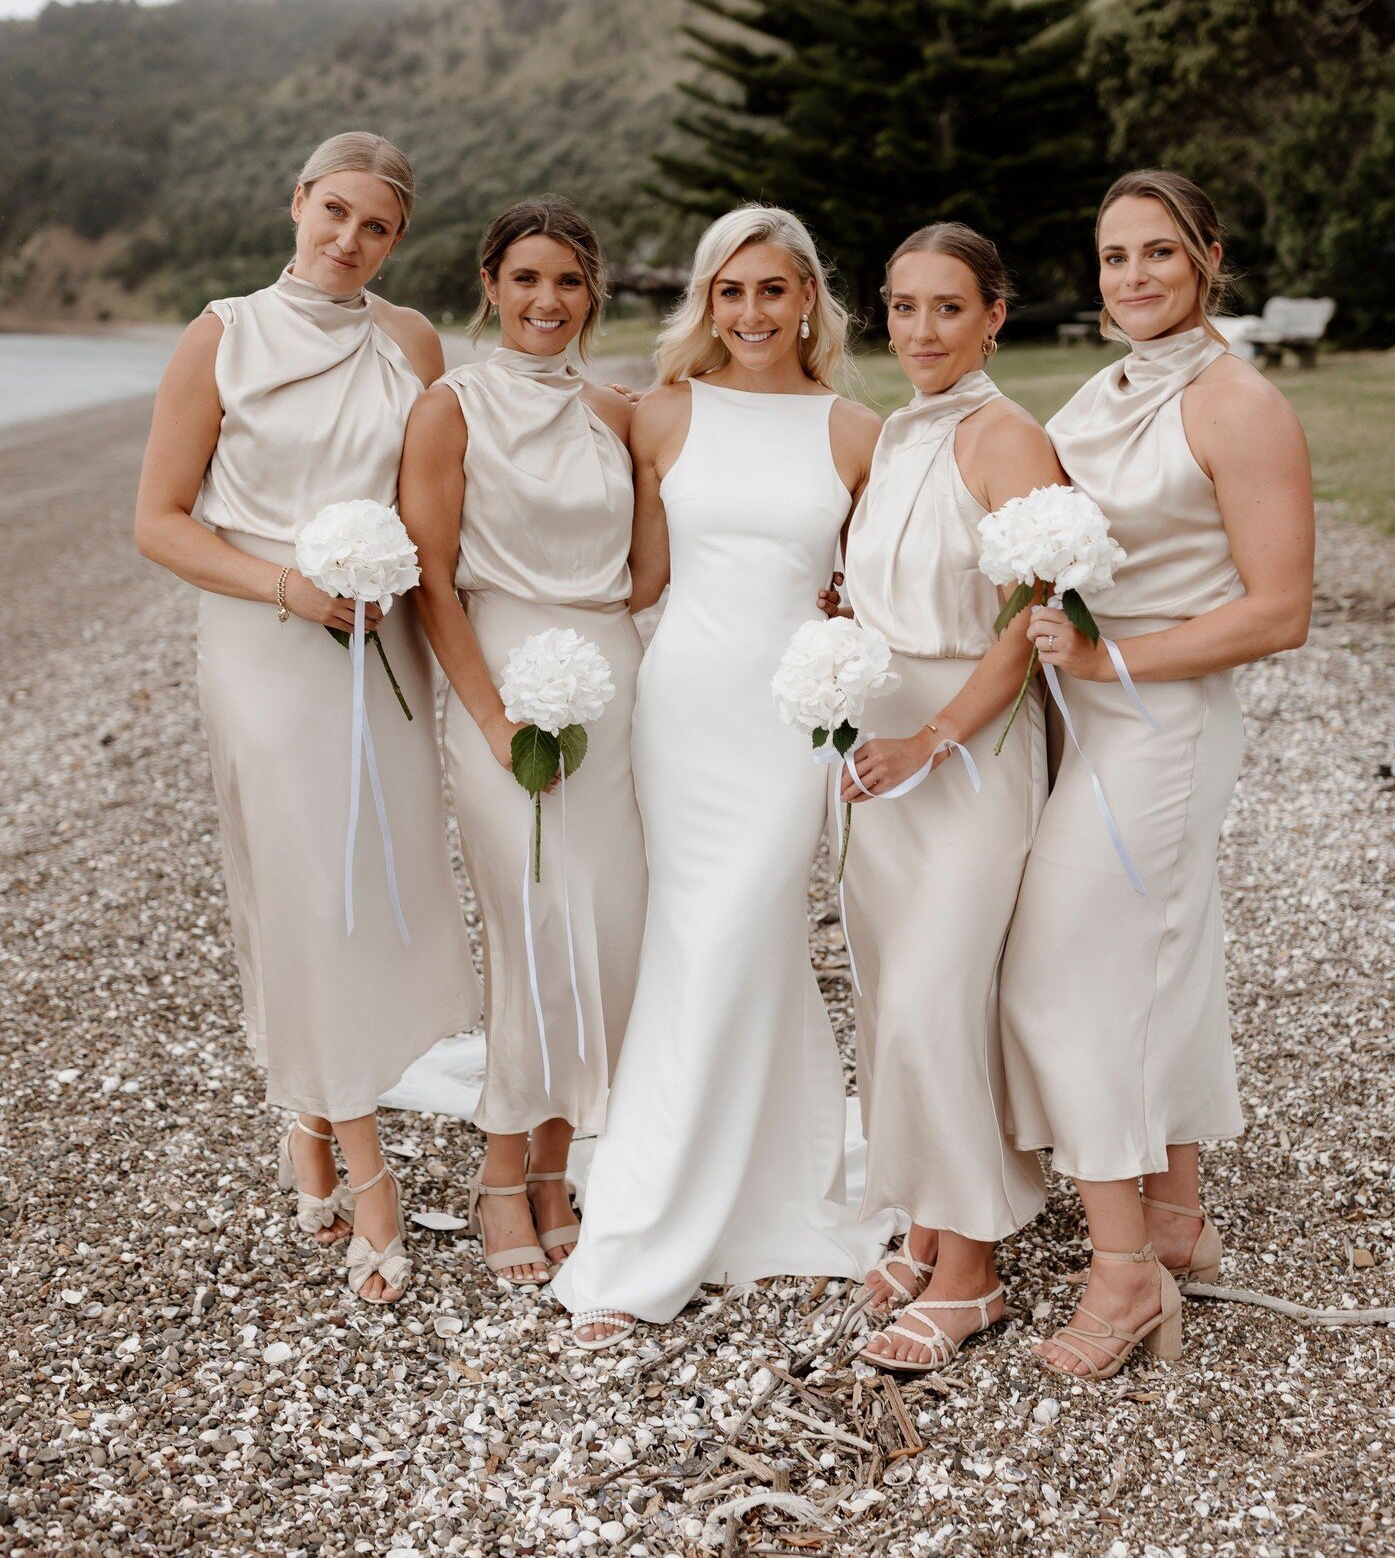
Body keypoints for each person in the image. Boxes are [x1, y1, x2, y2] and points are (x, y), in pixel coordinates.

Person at [135, 131, 482, 1305]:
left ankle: (308, 1111)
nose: (348, 240)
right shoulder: (220, 333)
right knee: (299, 881)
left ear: (396, 240)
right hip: (266, 635)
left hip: (378, 637)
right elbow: (160, 521)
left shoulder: (411, 341)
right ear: (296, 203)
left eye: (374, 226)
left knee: (362, 885)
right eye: (333, 212)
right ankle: (368, 1165)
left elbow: (435, 496)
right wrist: (288, 585)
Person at [552, 205, 894, 1346]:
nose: (751, 313)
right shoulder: (662, 414)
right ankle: (663, 1220)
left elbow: (875, 582)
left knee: (740, 932)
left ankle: (714, 1198)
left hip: (789, 718)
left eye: (773, 290)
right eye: (730, 291)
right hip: (685, 706)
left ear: (810, 300)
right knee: (701, 939)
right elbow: (641, 570)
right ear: (708, 301)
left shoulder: (857, 431)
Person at [1000, 169, 1314, 1379]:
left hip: (1165, 716)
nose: (1133, 276)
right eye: (1114, 256)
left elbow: (1280, 608)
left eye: (1158, 255)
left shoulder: (1237, 403)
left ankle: (1124, 1272)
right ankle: (1177, 1217)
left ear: (1210, 259)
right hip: (1090, 710)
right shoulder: (1110, 385)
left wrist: (1107, 653)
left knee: (1065, 970)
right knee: (1160, 954)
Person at [820, 223, 1060, 1373]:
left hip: (965, 747)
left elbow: (1027, 623)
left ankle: (973, 1276)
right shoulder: (899, 437)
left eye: (948, 308)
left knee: (934, 993)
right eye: (903, 307)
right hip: (879, 744)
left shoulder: (1005, 437)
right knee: (888, 992)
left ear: (994, 316)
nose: (921, 331)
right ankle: (924, 1218)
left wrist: (936, 735)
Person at [400, 197, 644, 1288]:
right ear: (491, 285)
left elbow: (660, 567)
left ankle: (559, 1165)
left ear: (593, 294)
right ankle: (504, 1167)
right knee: (531, 925)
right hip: (499, 676)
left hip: (614, 685)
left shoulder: (619, 412)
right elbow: (433, 580)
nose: (549, 302)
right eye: (528, 279)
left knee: (605, 927)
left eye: (571, 282)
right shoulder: (449, 409)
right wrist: (493, 715)